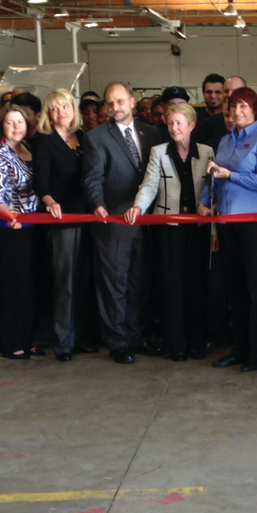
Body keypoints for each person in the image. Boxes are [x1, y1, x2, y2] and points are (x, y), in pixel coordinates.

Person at [200, 87, 257, 373]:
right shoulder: (224, 141)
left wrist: (230, 174)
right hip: (227, 223)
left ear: (255, 109)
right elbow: (215, 179)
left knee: (256, 290)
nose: (238, 112)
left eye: (244, 106)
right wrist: (204, 202)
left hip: (256, 224)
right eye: (233, 107)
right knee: (234, 290)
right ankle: (240, 348)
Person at [128, 102, 215, 362]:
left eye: (179, 123)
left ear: (191, 125)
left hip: (198, 229)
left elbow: (214, 189)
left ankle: (197, 344)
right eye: (170, 123)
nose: (174, 128)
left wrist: (212, 217)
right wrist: (137, 206)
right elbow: (149, 185)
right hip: (169, 229)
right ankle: (175, 345)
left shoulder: (207, 151)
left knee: (196, 286)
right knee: (172, 286)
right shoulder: (158, 152)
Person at [82, 82, 161, 364]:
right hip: (114, 220)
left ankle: (136, 336)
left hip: (147, 221)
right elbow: (92, 178)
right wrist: (98, 205)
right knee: (114, 285)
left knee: (140, 283)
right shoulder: (96, 137)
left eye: (119, 102)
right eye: (110, 103)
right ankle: (117, 341)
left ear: (131, 101)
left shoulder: (151, 132)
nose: (115, 107)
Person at [33, 89, 96, 362]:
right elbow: (41, 182)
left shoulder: (83, 138)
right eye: (56, 109)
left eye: (66, 107)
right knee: (66, 282)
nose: (61, 113)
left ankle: (83, 336)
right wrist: (49, 201)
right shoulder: (45, 142)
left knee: (84, 280)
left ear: (74, 110)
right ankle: (64, 341)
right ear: (49, 113)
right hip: (62, 220)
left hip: (89, 217)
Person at [0, 104, 40, 360]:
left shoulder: (27, 150)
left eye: (20, 121)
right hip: (10, 228)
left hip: (30, 226)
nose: (16, 126)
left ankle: (26, 338)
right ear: (2, 126)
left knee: (28, 285)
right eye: (10, 122)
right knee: (13, 286)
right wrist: (9, 216)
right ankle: (11, 342)